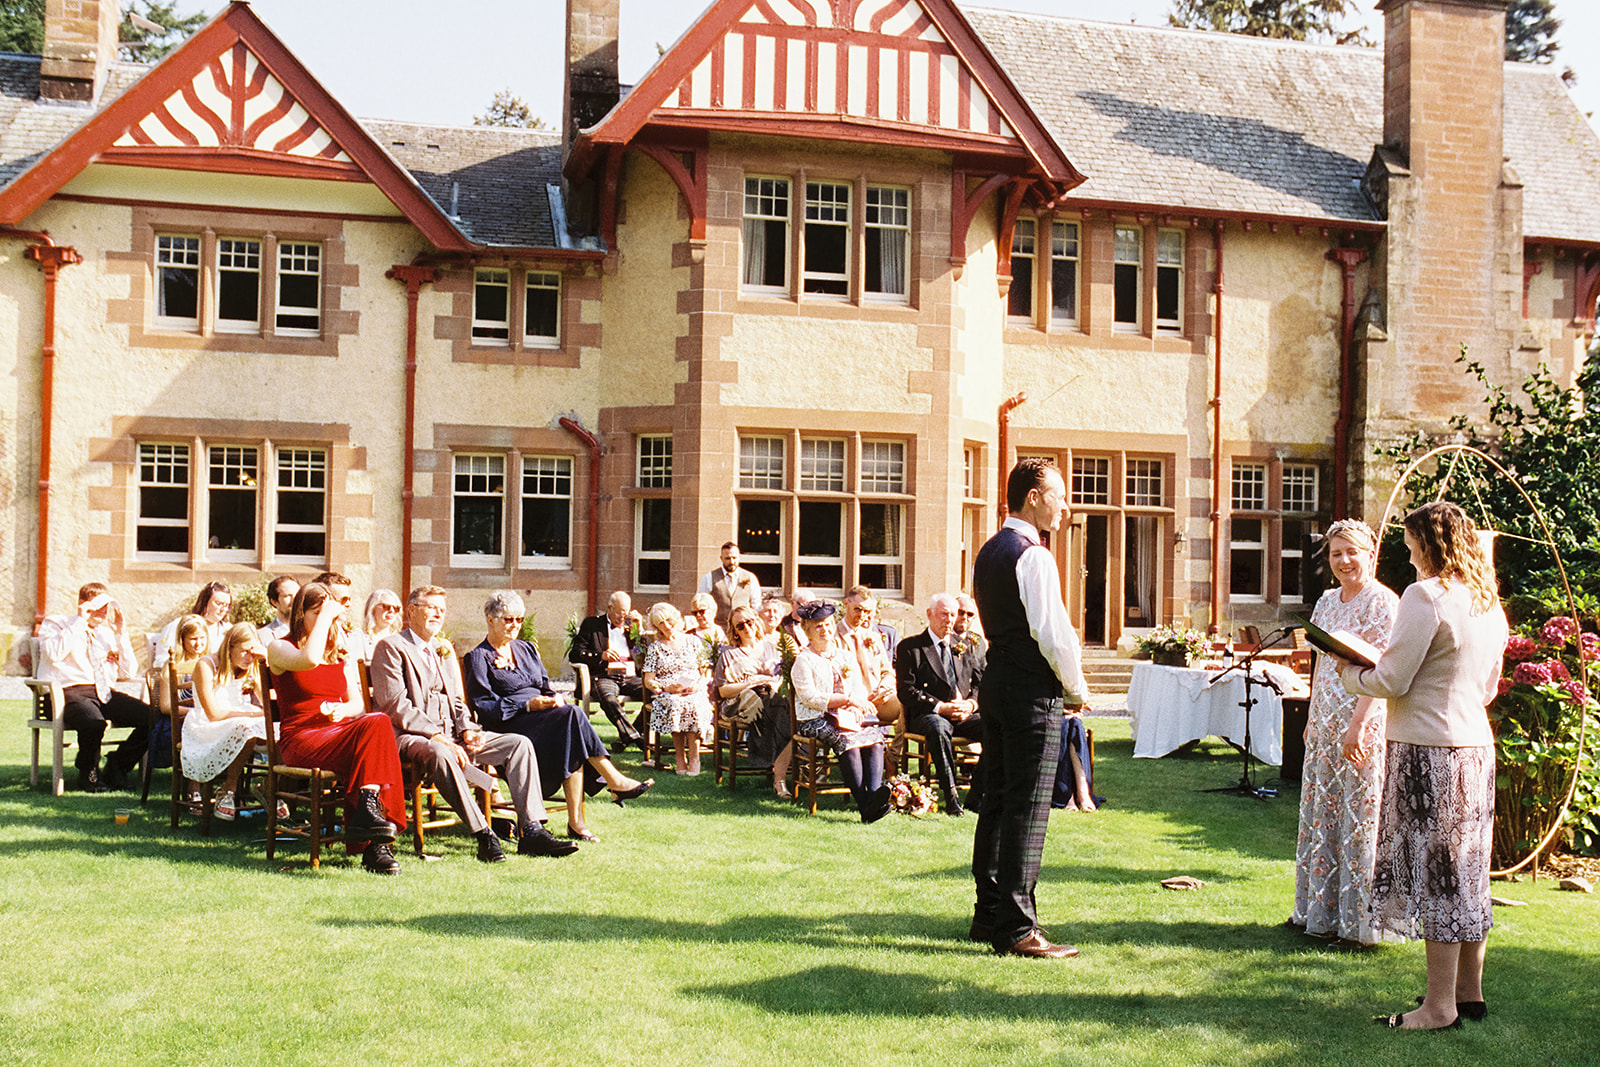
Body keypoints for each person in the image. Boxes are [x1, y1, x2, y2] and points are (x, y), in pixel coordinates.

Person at [1334, 502, 1508, 1030]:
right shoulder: (1487, 600)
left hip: (1427, 751)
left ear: (1428, 543)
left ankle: (1438, 1009)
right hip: (1474, 749)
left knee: (1439, 876)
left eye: (1410, 544)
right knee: (1468, 870)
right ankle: (1468, 994)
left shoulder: (1424, 595)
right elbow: (1488, 687)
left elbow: (1391, 679)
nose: (1406, 555)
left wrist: (1349, 671)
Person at [970, 457, 1090, 959]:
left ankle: (989, 914)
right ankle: (1018, 928)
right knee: (1028, 807)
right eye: (1059, 494)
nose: (1066, 505)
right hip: (1028, 691)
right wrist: (1076, 688)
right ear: (1034, 497)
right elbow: (1052, 632)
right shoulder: (1033, 555)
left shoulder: (989, 549)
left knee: (998, 799)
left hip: (996, 683)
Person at [371, 586, 577, 860]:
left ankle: (533, 830)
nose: (437, 614)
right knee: (442, 753)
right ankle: (483, 833)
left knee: (518, 744)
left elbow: (457, 702)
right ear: (411, 611)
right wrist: (438, 737)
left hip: (452, 736)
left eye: (441, 610)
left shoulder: (441, 650)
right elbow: (396, 705)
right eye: (430, 608)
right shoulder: (391, 647)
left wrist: (467, 728)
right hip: (413, 737)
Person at [462, 591, 654, 839]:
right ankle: (606, 788)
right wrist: (528, 706)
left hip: (546, 719)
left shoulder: (526, 649)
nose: (515, 626)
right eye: (508, 619)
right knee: (571, 718)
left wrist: (553, 699)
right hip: (512, 725)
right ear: (490, 619)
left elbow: (545, 685)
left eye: (519, 620)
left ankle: (580, 818)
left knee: (569, 721)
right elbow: (484, 705)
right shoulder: (478, 657)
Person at [1290, 519, 1399, 945]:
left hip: (1363, 717)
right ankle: (1316, 913)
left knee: (1358, 818)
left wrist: (1358, 725)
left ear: (1370, 553)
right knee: (1323, 813)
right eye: (1336, 554)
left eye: (1352, 552)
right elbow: (1321, 665)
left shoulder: (1384, 603)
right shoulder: (1326, 602)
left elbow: (1384, 671)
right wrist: (1312, 719)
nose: (1344, 561)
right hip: (1325, 718)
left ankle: (1360, 924)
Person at [266, 581, 408, 875]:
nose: (323, 619)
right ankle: (375, 840)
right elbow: (309, 659)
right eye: (315, 612)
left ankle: (372, 834)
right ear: (299, 615)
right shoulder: (279, 647)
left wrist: (342, 709)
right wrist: (329, 615)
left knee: (376, 723)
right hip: (302, 739)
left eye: (326, 612)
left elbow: (356, 703)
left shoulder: (338, 655)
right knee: (375, 739)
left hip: (337, 733)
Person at [35, 582, 156, 791]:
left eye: (105, 607)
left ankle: (118, 764)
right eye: (96, 606)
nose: (102, 612)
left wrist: (120, 634)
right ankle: (88, 773)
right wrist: (80, 621)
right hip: (67, 692)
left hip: (103, 692)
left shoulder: (106, 634)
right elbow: (54, 654)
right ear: (82, 604)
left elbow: (127, 672)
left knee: (153, 718)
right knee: (94, 723)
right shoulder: (57, 624)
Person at [791, 600, 891, 822]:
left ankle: (874, 798)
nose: (824, 629)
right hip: (814, 718)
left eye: (827, 624)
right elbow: (810, 697)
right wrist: (847, 700)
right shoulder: (804, 660)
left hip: (846, 716)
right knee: (847, 742)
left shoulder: (844, 655)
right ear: (807, 631)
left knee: (874, 739)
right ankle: (866, 806)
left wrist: (856, 704)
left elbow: (857, 688)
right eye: (818, 626)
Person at [896, 592, 986, 816]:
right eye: (944, 614)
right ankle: (951, 796)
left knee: (998, 728)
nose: (949, 620)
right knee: (939, 728)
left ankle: (977, 795)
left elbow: (980, 683)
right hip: (928, 715)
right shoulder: (911, 647)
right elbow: (906, 691)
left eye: (953, 615)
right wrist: (940, 707)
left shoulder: (965, 645)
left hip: (963, 714)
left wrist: (971, 705)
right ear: (929, 614)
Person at [185, 621, 271, 821]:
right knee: (246, 729)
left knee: (281, 728)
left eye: (253, 652)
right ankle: (228, 790)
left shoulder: (250, 665)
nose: (249, 657)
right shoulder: (207, 665)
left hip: (239, 717)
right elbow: (213, 713)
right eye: (244, 651)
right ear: (229, 647)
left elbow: (267, 704)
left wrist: (264, 662)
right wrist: (254, 715)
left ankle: (270, 787)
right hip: (206, 722)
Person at [713, 606, 793, 794]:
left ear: (756, 622)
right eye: (740, 626)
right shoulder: (729, 654)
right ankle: (782, 772)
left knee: (775, 700)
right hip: (738, 705)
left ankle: (774, 770)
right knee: (763, 695)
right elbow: (723, 691)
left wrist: (773, 683)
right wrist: (751, 684)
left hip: (773, 702)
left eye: (749, 622)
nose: (746, 627)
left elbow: (785, 678)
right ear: (734, 631)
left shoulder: (775, 649)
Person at [642, 602, 715, 776]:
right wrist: (666, 687)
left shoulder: (693, 642)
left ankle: (695, 757)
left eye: (668, 620)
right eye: (661, 623)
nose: (666, 626)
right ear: (655, 626)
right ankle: (680, 758)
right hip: (670, 692)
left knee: (694, 703)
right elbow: (648, 680)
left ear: (676, 618)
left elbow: (706, 672)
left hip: (694, 688)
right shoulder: (655, 648)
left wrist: (699, 684)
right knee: (675, 703)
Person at [569, 591, 648, 749]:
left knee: (655, 694)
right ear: (609, 608)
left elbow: (648, 654)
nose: (622, 618)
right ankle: (635, 737)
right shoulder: (592, 624)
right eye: (619, 613)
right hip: (605, 676)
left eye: (625, 613)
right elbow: (575, 654)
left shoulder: (631, 626)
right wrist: (601, 655)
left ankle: (628, 736)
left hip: (630, 676)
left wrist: (640, 629)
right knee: (608, 698)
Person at [837, 586, 903, 735]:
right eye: (858, 609)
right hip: (851, 702)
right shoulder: (833, 636)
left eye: (867, 611)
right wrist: (854, 700)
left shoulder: (873, 636)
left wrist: (884, 689)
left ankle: (893, 755)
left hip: (878, 699)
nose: (862, 615)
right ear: (846, 603)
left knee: (907, 703)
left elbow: (887, 671)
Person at [153, 581, 231, 668]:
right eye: (219, 603)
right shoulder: (180, 625)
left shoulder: (229, 630)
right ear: (205, 602)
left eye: (227, 605)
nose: (223, 609)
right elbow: (161, 660)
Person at [697, 541, 761, 630]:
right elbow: (700, 603)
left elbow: (756, 605)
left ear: (739, 557)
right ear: (721, 558)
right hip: (718, 629)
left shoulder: (750, 577)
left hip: (743, 629)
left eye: (734, 558)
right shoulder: (709, 577)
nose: (731, 562)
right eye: (727, 558)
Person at [347, 589, 403, 664]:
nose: (391, 611)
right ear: (372, 609)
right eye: (386, 606)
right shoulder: (361, 639)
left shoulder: (401, 642)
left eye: (396, 608)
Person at [257, 575, 299, 643]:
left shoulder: (312, 631)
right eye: (287, 596)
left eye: (298, 594)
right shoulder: (261, 637)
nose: (294, 599)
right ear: (274, 602)